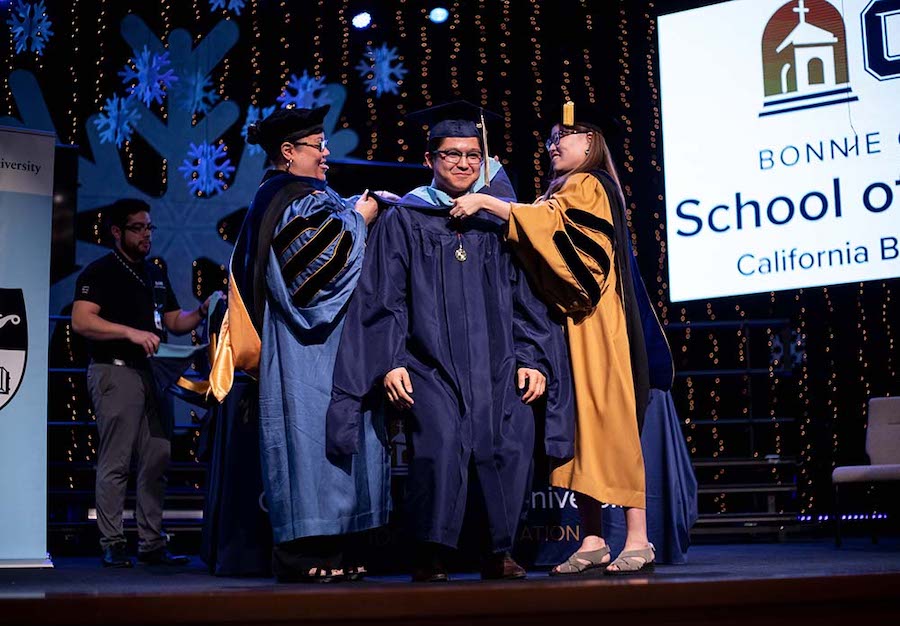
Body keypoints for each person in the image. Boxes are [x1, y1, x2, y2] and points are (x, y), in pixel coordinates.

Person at [327, 101, 574, 582]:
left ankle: (500, 549)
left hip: (500, 362)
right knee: (440, 445)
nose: (463, 163)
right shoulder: (406, 218)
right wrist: (392, 361)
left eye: (472, 155)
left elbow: (528, 298)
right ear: (430, 159)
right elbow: (386, 297)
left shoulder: (500, 221)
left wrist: (533, 359)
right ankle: (432, 551)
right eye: (451, 154)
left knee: (510, 443)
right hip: (429, 363)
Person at [450, 101, 663, 575]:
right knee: (580, 428)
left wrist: (487, 201)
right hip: (571, 326)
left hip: (599, 325)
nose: (551, 146)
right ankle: (591, 539)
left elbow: (560, 240)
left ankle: (638, 537)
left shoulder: (589, 184)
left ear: (588, 141)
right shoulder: (563, 189)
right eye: (549, 139)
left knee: (612, 425)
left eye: (560, 138)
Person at [224, 105, 387, 583]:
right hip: (307, 349)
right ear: (288, 152)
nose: (326, 154)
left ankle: (343, 551)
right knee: (310, 444)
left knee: (332, 444)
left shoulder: (297, 198)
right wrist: (359, 217)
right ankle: (309, 556)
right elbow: (312, 277)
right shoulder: (291, 200)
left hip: (333, 349)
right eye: (318, 146)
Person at [72, 199, 216, 568]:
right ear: (117, 232)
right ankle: (112, 541)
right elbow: (82, 321)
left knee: (158, 457)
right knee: (116, 460)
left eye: (149, 227)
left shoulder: (153, 272)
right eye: (137, 228)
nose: (146, 235)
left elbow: (172, 320)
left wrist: (200, 311)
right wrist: (131, 333)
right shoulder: (99, 272)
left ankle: (151, 542)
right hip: (115, 371)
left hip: (154, 374)